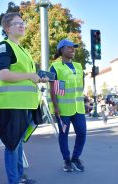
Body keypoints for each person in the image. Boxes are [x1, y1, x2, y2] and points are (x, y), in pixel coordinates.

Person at [0, 12, 48, 184]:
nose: (22, 26)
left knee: (17, 144)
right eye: (17, 23)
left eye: (23, 23)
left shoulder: (22, 49)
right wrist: (29, 76)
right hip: (12, 105)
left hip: (25, 104)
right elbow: (4, 75)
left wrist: (37, 77)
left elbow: (28, 77)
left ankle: (18, 177)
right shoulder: (4, 46)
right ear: (6, 28)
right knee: (12, 144)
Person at [49, 39, 87, 173]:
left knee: (82, 133)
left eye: (74, 48)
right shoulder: (55, 67)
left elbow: (81, 86)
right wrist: (56, 107)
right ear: (62, 50)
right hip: (63, 110)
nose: (73, 50)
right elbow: (53, 89)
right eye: (70, 47)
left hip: (79, 108)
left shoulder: (78, 66)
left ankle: (75, 158)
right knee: (63, 135)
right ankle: (67, 161)